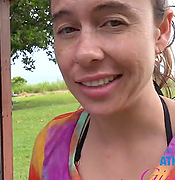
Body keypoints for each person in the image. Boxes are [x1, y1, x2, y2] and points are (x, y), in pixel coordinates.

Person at [29, 0, 175, 179]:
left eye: (114, 23)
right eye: (68, 29)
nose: (85, 53)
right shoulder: (49, 146)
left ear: (161, 31)